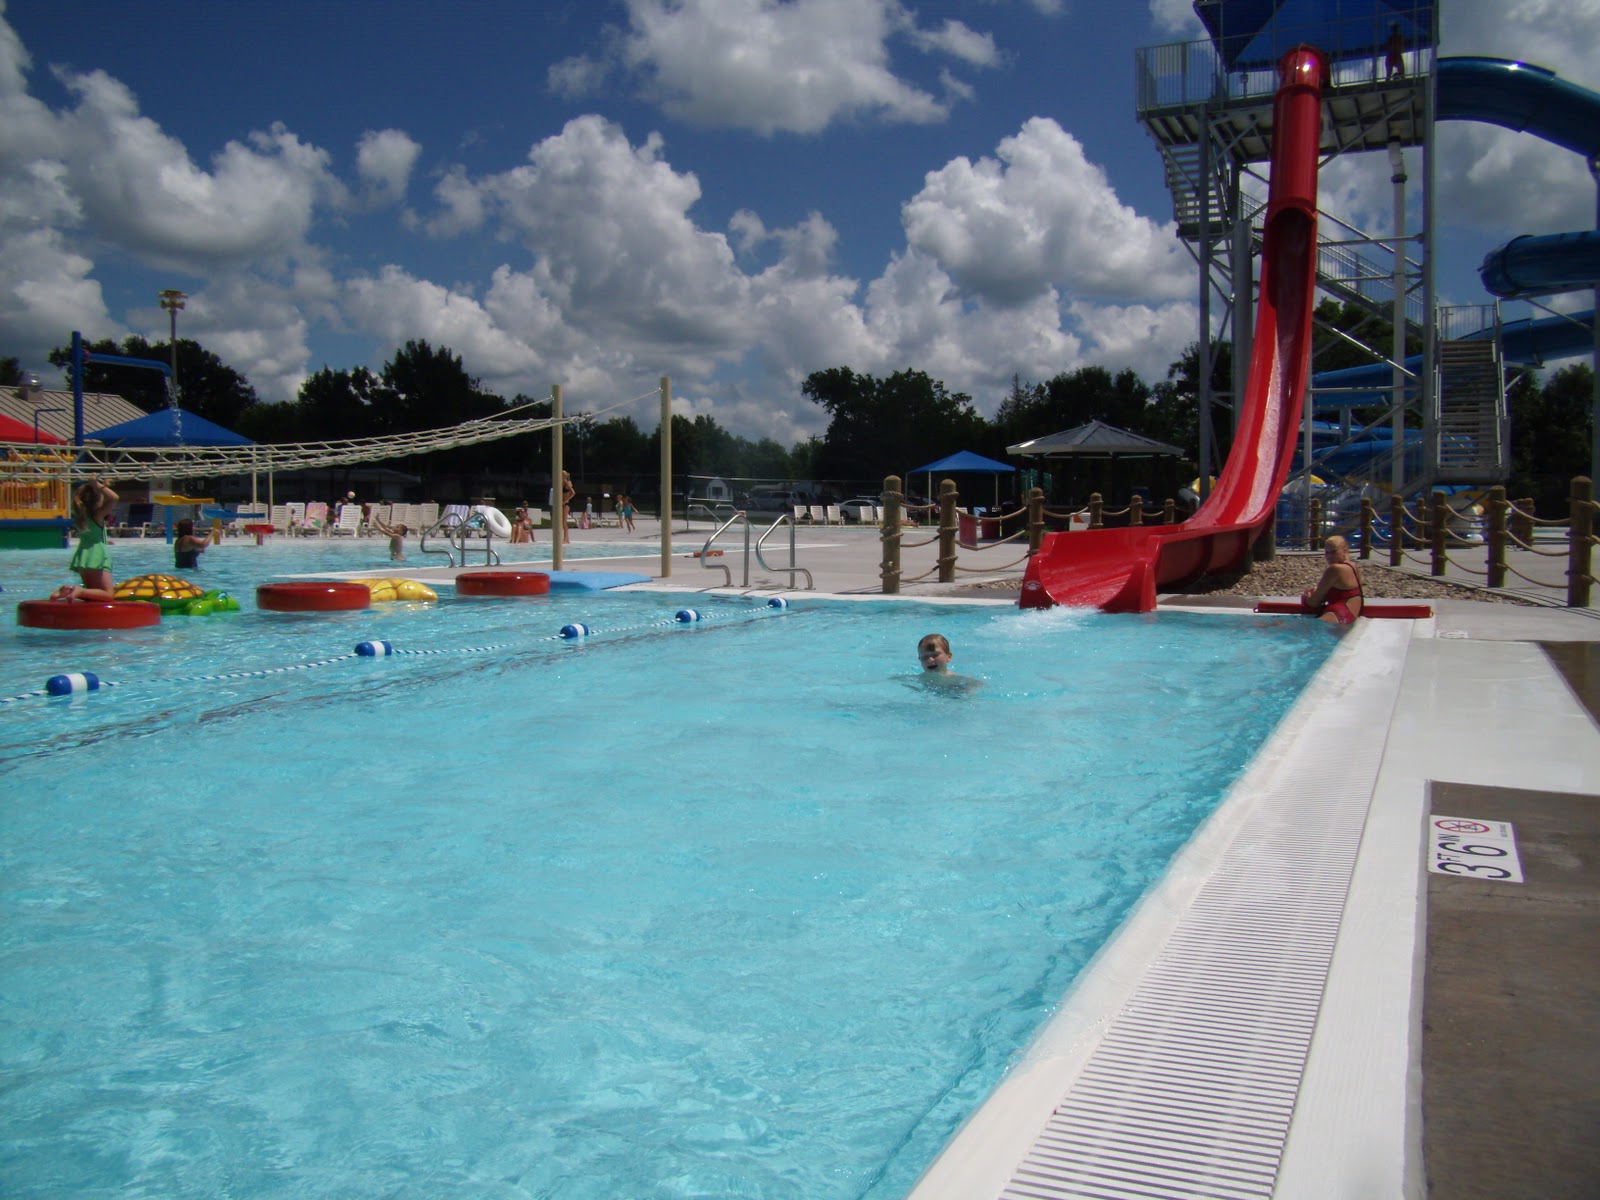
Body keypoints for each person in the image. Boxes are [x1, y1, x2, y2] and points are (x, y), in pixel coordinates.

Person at [52, 478, 118, 601]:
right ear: (97, 500)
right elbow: (114, 498)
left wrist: (101, 486)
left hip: (84, 554)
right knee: (108, 594)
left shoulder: (80, 516)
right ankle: (78, 590)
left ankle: (67, 591)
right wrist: (96, 484)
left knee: (92, 593)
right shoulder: (97, 516)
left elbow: (104, 499)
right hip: (97, 554)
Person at [1301, 535, 1365, 626]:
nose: (1330, 556)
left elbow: (1314, 602)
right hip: (1350, 615)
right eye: (1327, 553)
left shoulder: (1334, 569)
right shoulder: (1353, 566)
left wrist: (1307, 597)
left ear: (1345, 550)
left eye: (1334, 552)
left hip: (1337, 614)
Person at [914, 632, 982, 692]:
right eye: (925, 657)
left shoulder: (956, 680)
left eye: (935, 655)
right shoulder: (919, 680)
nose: (930, 659)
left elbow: (978, 685)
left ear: (949, 657)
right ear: (920, 660)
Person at [560, 470, 575, 545]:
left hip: (566, 503)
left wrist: (566, 500)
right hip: (562, 503)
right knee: (562, 522)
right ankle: (566, 538)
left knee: (563, 522)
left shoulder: (566, 482)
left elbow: (573, 492)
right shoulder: (561, 482)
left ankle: (566, 539)